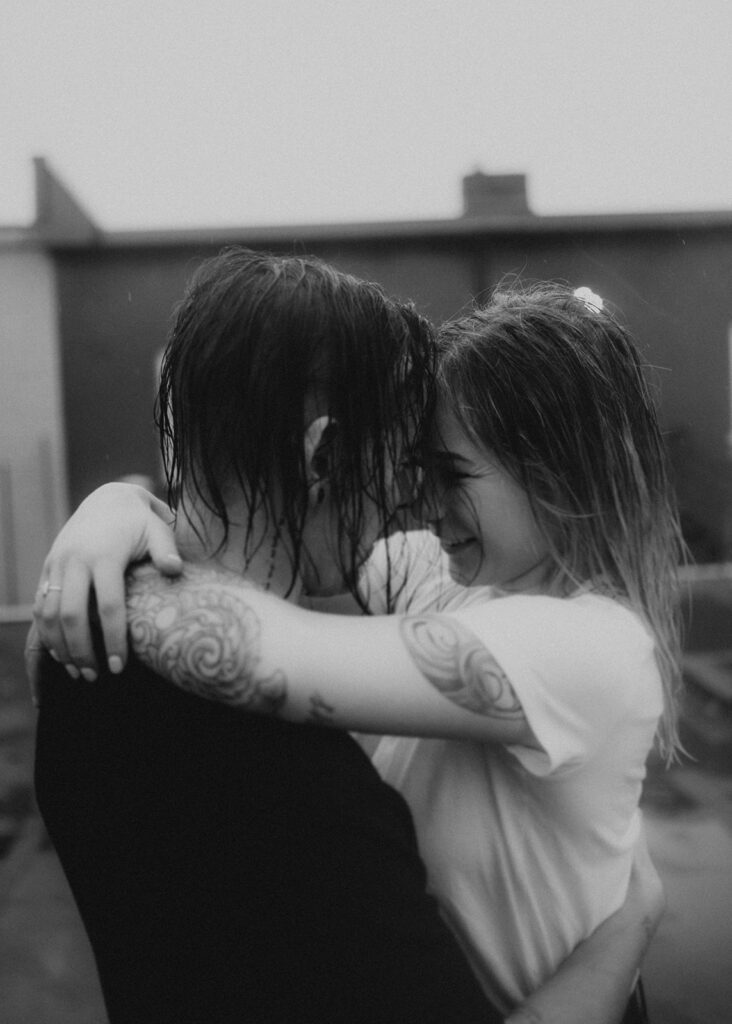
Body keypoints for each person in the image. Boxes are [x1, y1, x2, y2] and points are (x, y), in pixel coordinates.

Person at [31, 256, 666, 1023]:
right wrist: (122, 508)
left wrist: (110, 549)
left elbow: (268, 652)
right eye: (414, 461)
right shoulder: (448, 591)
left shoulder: (591, 648)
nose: (412, 495)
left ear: (558, 477)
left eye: (447, 471)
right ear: (323, 456)